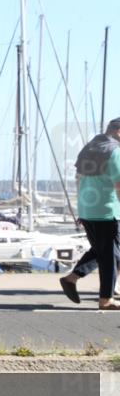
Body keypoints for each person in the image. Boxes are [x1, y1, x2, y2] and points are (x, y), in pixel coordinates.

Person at [58, 118, 120, 310]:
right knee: (110, 254)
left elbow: (78, 179)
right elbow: (119, 185)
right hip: (106, 209)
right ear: (119, 132)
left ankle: (72, 278)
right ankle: (106, 299)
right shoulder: (115, 151)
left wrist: (81, 208)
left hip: (88, 208)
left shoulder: (88, 148)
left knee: (104, 250)